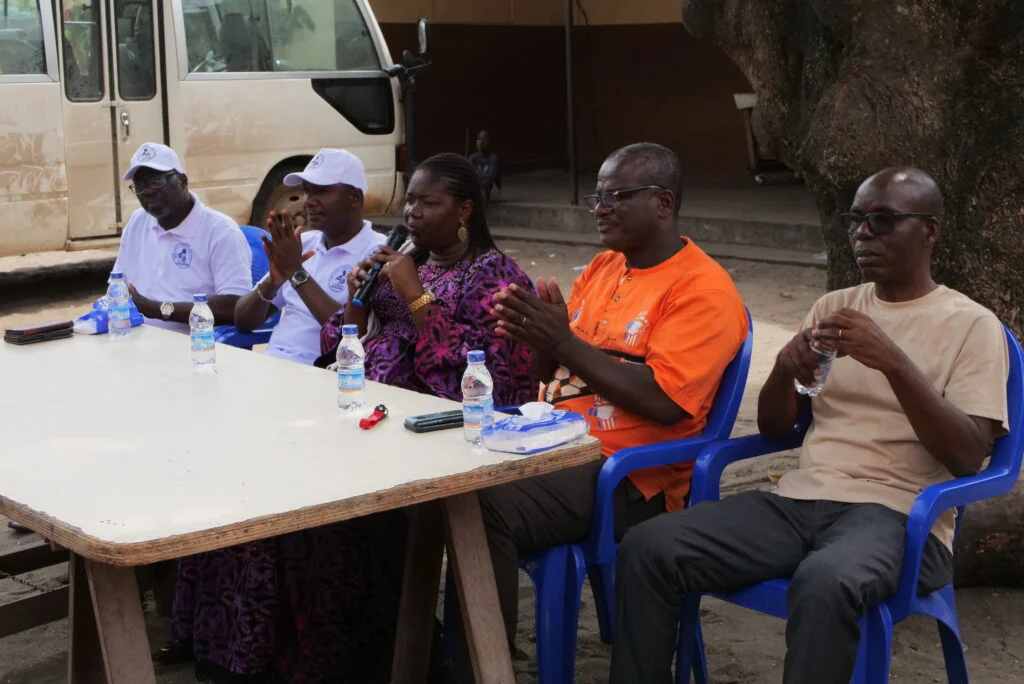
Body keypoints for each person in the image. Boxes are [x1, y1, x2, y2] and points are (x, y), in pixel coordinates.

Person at [611, 167, 1010, 684]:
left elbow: (967, 455)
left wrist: (893, 361)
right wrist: (784, 367)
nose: (863, 234)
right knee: (649, 547)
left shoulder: (972, 325)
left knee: (825, 581)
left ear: (928, 230)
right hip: (800, 502)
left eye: (883, 220)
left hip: (900, 516)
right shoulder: (834, 307)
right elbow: (778, 429)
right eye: (856, 220)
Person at [470, 142, 748, 675]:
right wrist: (538, 335)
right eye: (597, 197)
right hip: (554, 443)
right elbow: (552, 375)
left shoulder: (702, 290)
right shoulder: (603, 267)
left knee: (480, 508)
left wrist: (563, 340)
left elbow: (664, 402)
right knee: (434, 486)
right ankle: (442, 651)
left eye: (618, 196)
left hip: (630, 477)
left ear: (664, 203)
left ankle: (486, 666)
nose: (600, 208)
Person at [321, 152, 536, 406]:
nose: (413, 212)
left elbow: (488, 378)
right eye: (410, 200)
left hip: (431, 416)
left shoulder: (496, 280)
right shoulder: (408, 256)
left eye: (429, 203)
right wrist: (356, 296)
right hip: (361, 398)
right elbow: (345, 342)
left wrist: (415, 296)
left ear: (464, 210)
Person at [234, 148, 386, 365]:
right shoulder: (304, 243)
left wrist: (296, 272)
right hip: (273, 362)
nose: (308, 201)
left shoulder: (379, 253)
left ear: (355, 198)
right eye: (307, 191)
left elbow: (350, 336)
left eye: (321, 192)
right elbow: (242, 321)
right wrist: (273, 282)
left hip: (323, 372)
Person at [114, 142, 252, 333]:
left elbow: (235, 306)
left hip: (194, 343)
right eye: (140, 185)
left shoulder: (220, 231)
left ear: (183, 181)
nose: (148, 191)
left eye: (157, 181)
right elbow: (118, 286)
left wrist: (158, 310)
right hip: (135, 338)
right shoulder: (137, 221)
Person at [468, 130, 501, 205]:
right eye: (479, 139)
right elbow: (467, 174)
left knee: (486, 182)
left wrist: (475, 174)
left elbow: (492, 176)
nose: (481, 142)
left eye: (485, 139)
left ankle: (483, 210)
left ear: (490, 142)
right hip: (478, 187)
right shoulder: (473, 157)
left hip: (493, 191)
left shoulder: (494, 158)